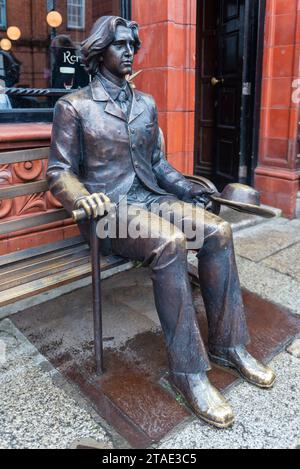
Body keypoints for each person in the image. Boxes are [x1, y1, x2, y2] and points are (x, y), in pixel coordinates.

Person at [47, 16, 276, 429]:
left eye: (132, 44)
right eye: (120, 45)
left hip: (150, 198)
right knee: (170, 243)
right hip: (108, 214)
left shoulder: (146, 103)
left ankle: (230, 346)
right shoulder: (75, 106)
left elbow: (157, 164)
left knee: (217, 231)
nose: (130, 51)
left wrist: (187, 189)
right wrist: (83, 197)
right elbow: (59, 172)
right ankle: (188, 372)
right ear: (100, 52)